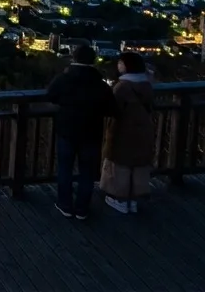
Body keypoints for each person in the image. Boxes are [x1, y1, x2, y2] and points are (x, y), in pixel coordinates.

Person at [46, 44, 118, 219]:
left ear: (74, 57)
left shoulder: (64, 79)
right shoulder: (100, 84)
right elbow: (112, 109)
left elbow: (50, 95)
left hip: (67, 129)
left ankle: (65, 204)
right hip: (92, 131)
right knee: (87, 171)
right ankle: (82, 208)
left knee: (65, 168)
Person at [100, 52, 155, 214]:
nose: (118, 65)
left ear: (127, 66)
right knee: (138, 164)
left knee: (120, 163)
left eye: (121, 63)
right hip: (143, 129)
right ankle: (134, 200)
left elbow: (113, 109)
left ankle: (120, 199)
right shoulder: (146, 84)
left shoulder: (122, 87)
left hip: (123, 129)